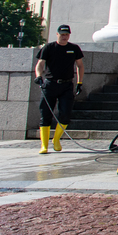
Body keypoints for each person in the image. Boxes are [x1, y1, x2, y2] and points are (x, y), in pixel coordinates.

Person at [33, 25, 84, 154]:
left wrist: (79, 82)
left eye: (66, 34)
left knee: (65, 114)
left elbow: (80, 65)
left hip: (66, 85)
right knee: (45, 115)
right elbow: (40, 64)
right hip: (50, 84)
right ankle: (44, 145)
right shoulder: (49, 48)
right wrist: (39, 76)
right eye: (62, 34)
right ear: (57, 34)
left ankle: (56, 139)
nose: (64, 37)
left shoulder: (74, 48)